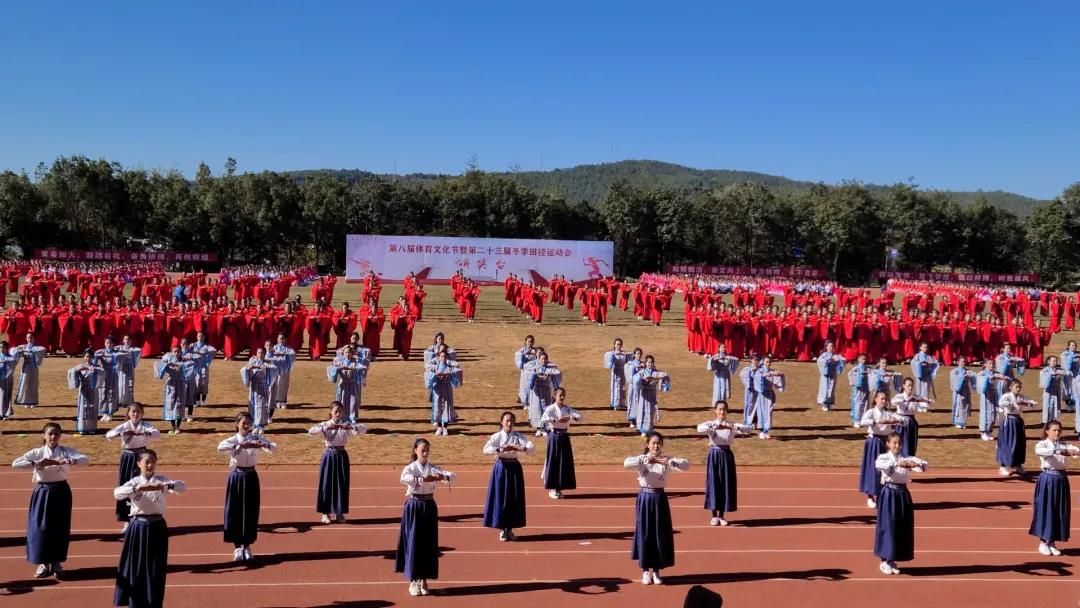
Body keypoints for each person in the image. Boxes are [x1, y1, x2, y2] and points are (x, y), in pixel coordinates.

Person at [11, 422, 89, 578]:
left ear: (60, 436)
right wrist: (37, 464)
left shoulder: (66, 452)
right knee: (40, 528)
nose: (53, 437)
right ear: (44, 435)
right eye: (50, 433)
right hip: (43, 492)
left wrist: (69, 461)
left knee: (59, 528)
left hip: (61, 491)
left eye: (56, 434)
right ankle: (42, 563)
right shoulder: (38, 452)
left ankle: (57, 563)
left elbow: (84, 459)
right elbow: (15, 463)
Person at [113, 449, 186, 608]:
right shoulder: (134, 482)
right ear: (139, 464)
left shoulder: (161, 480)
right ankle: (135, 603)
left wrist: (167, 485)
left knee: (156, 568)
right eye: (147, 461)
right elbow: (117, 493)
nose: (150, 464)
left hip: (158, 526)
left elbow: (182, 487)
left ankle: (154, 602)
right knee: (136, 567)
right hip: (138, 527)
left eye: (153, 461)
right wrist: (137, 489)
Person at [624, 431, 690, 585]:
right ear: (648, 445)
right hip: (645, 498)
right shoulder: (643, 460)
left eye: (659, 443)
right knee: (645, 533)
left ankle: (657, 571)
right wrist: (646, 459)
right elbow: (626, 463)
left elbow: (686, 465)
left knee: (659, 534)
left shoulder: (666, 460)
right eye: (653, 443)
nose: (656, 445)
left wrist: (669, 463)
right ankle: (645, 570)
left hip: (659, 498)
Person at [396, 438, 455, 597]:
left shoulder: (433, 467)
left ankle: (424, 578)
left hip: (429, 506)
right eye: (422, 449)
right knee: (414, 542)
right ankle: (413, 579)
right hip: (414, 506)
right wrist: (422, 479)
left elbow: (452, 475)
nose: (425, 452)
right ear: (415, 451)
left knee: (428, 543)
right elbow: (403, 478)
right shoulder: (411, 467)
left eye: (427, 449)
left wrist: (441, 477)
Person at [217, 411, 277, 561]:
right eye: (243, 423)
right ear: (237, 425)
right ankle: (237, 547)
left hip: (251, 477)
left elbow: (274, 449)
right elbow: (220, 448)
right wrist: (240, 445)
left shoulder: (256, 438)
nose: (246, 426)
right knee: (235, 511)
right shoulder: (232, 439)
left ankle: (247, 545)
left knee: (250, 512)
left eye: (249, 423)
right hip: (236, 477)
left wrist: (262, 444)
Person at [873, 432, 928, 575]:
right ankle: (884, 560)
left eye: (899, 443)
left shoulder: (906, 457)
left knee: (900, 527)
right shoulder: (884, 457)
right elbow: (878, 464)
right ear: (888, 444)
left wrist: (916, 464)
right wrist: (898, 463)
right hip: (889, 494)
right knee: (888, 526)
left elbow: (925, 466)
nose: (897, 446)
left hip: (903, 494)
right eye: (894, 443)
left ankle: (893, 559)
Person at [308, 401, 367, 524]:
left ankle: (339, 513)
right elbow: (311, 432)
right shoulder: (325, 424)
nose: (339, 414)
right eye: (336, 411)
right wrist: (325, 428)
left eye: (340, 411)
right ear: (331, 413)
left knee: (341, 485)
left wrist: (351, 427)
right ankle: (325, 513)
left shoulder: (346, 425)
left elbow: (364, 429)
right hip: (329, 456)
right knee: (326, 484)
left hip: (342, 456)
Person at [105, 403, 160, 530]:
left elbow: (157, 434)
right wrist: (122, 433)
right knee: (127, 486)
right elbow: (109, 435)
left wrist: (145, 432)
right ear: (128, 413)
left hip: (142, 457)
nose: (135, 414)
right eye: (133, 412)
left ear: (142, 414)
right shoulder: (124, 426)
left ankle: (141, 513)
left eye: (138, 412)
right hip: (128, 457)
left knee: (141, 486)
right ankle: (127, 519)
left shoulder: (145, 425)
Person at [482, 411, 534, 541]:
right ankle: (502, 529)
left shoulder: (518, 436)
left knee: (513, 499)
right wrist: (499, 449)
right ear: (502, 422)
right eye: (507, 421)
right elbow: (486, 449)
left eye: (512, 421)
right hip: (501, 469)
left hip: (515, 468)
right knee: (501, 499)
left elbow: (531, 447)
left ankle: (510, 529)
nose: (510, 423)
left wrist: (522, 448)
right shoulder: (497, 436)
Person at [697, 400, 750, 526]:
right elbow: (699, 428)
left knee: (725, 484)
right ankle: (714, 515)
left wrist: (734, 427)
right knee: (714, 484)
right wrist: (712, 427)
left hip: (726, 455)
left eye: (724, 409)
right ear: (715, 411)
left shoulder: (730, 424)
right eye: (720, 409)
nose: (722, 411)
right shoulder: (711, 423)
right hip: (714, 455)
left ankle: (722, 515)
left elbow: (748, 429)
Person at [1030, 420, 1078, 556]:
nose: (1057, 433)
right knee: (1047, 509)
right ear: (1047, 431)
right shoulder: (1042, 444)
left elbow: (1073, 449)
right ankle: (1043, 542)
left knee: (1059, 510)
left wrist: (1074, 451)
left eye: (1059, 430)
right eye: (1054, 430)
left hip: (1062, 479)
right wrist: (1062, 450)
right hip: (1048, 479)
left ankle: (1052, 541)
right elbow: (1041, 451)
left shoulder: (1063, 444)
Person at [859, 392, 902, 508]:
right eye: (881, 399)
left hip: (885, 443)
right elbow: (862, 421)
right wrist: (875, 422)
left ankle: (881, 496)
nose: (884, 401)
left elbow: (901, 420)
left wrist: (897, 421)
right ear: (876, 399)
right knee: (873, 469)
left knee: (885, 469)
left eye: (885, 399)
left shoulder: (888, 413)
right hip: (874, 442)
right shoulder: (871, 412)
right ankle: (870, 496)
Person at [540, 387, 582, 499]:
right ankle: (552, 488)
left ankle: (559, 487)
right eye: (560, 395)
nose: (562, 397)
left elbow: (579, 416)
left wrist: (572, 417)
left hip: (564, 436)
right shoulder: (551, 408)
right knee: (554, 461)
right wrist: (554, 420)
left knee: (563, 463)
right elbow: (543, 419)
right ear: (555, 396)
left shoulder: (567, 408)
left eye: (564, 395)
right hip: (554, 436)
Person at [996, 380, 1036, 476]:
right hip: (1008, 421)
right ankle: (1003, 466)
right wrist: (1015, 402)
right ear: (1010, 387)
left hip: (1018, 421)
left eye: (1019, 387)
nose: (1018, 389)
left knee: (1019, 443)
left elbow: (1032, 405)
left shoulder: (1022, 396)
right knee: (1007, 443)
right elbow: (1002, 403)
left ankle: (1017, 464)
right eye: (1016, 387)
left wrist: (1027, 403)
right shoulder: (1006, 396)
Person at [154, 346, 194, 434]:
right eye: (175, 351)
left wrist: (179, 365)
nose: (176, 353)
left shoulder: (183, 361)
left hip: (180, 385)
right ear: (171, 352)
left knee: (179, 404)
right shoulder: (168, 361)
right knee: (170, 404)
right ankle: (173, 426)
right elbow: (157, 365)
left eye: (178, 352)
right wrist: (167, 364)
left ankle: (178, 427)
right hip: (170, 385)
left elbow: (191, 366)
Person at [891, 378, 932, 457]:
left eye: (911, 386)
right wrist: (906, 400)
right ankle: (897, 459)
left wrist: (926, 401)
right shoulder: (899, 396)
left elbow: (926, 405)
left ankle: (910, 459)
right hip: (901, 422)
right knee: (899, 442)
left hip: (911, 421)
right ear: (903, 386)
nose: (910, 387)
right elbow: (893, 401)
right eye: (908, 385)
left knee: (911, 442)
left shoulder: (916, 397)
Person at [425, 348, 462, 436]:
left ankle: (445, 427)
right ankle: (438, 427)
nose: (443, 358)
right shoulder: (435, 366)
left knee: (446, 406)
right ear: (439, 357)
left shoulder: (449, 367)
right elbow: (427, 370)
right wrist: (435, 374)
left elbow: (458, 370)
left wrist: (449, 374)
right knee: (437, 406)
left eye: (445, 356)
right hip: (437, 388)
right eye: (441, 356)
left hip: (446, 388)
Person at [632, 355, 670, 437]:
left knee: (651, 412)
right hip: (644, 395)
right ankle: (643, 429)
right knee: (643, 411)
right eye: (648, 362)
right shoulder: (642, 372)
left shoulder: (655, 372)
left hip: (652, 394)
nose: (650, 364)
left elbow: (664, 375)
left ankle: (649, 429)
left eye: (651, 362)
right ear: (646, 363)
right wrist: (642, 379)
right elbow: (636, 378)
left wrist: (661, 378)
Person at [525, 351, 561, 436]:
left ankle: (545, 428)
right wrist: (535, 375)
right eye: (542, 359)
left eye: (545, 359)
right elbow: (528, 372)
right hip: (536, 391)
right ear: (539, 359)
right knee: (537, 409)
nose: (543, 360)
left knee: (545, 408)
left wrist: (549, 374)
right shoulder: (534, 367)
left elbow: (557, 373)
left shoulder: (550, 368)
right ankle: (538, 428)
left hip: (546, 390)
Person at [68, 350, 104, 435]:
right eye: (86, 356)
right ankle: (82, 427)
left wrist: (94, 370)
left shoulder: (96, 367)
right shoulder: (80, 366)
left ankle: (92, 427)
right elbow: (71, 371)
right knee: (83, 408)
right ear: (84, 357)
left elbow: (102, 372)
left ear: (92, 358)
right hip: (83, 390)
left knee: (92, 408)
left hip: (93, 390)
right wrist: (76, 371)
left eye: (90, 357)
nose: (88, 358)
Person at [328, 345, 367, 424]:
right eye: (346, 352)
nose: (348, 354)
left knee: (352, 402)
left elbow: (363, 368)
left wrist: (354, 369)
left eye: (349, 352)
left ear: (352, 353)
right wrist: (338, 368)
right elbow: (332, 369)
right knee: (342, 401)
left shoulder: (355, 362)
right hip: (343, 385)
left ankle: (352, 418)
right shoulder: (340, 362)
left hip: (352, 385)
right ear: (343, 353)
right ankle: (342, 417)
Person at [241, 348, 277, 432]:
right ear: (256, 353)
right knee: (253, 406)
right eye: (259, 353)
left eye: (262, 353)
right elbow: (243, 369)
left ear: (265, 354)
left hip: (262, 387)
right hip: (253, 388)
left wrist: (265, 369)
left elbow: (274, 370)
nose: (260, 354)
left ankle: (261, 425)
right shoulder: (252, 362)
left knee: (261, 406)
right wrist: (247, 370)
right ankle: (254, 425)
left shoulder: (267, 363)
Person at [752, 356, 785, 440]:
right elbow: (757, 378)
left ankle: (766, 430)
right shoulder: (760, 371)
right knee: (762, 412)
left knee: (769, 412)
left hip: (770, 394)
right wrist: (765, 375)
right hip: (762, 394)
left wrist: (780, 375)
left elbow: (778, 381)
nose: (768, 363)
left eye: (769, 362)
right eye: (766, 362)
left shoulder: (772, 371)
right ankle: (762, 430)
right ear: (763, 362)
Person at [186, 331, 218, 412]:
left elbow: (214, 351)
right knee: (196, 383)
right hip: (195, 366)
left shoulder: (207, 346)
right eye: (198, 336)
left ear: (204, 337)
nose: (199, 337)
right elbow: (185, 350)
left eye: (201, 336)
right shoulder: (193, 345)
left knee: (204, 383)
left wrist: (205, 352)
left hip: (204, 366)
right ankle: (196, 401)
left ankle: (203, 401)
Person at [975, 358, 1005, 441]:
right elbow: (980, 384)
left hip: (994, 395)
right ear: (985, 365)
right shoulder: (982, 374)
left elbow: (1005, 379)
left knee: (993, 413)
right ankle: (983, 431)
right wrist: (988, 379)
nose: (991, 365)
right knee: (986, 413)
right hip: (986, 396)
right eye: (989, 363)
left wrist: (1003, 378)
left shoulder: (997, 373)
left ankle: (989, 431)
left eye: (992, 363)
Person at [14, 333, 46, 408]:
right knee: (25, 383)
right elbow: (13, 350)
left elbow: (43, 349)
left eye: (31, 337)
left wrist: (32, 350)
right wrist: (20, 351)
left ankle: (33, 402)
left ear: (34, 338)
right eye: (28, 337)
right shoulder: (23, 346)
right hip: (26, 366)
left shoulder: (36, 347)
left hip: (34, 367)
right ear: (26, 338)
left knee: (33, 383)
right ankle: (25, 401)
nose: (29, 339)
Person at [1039, 357, 1073, 424]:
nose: (1055, 362)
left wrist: (1068, 372)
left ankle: (1054, 420)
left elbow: (1066, 372)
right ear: (1049, 362)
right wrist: (1051, 374)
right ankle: (1045, 421)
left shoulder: (1059, 370)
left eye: (1056, 361)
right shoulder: (1045, 370)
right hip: (1048, 391)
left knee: (1057, 405)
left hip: (1057, 390)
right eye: (1053, 361)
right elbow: (1043, 377)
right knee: (1048, 406)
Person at [269, 334, 297, 410]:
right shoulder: (274, 347)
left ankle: (283, 401)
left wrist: (284, 355)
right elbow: (269, 355)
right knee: (276, 384)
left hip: (285, 370)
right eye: (280, 339)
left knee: (284, 385)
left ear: (285, 340)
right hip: (276, 370)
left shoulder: (288, 348)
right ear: (277, 339)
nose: (281, 340)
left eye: (283, 339)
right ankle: (275, 400)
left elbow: (293, 355)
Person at [604, 338, 632, 410]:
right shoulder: (612, 353)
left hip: (623, 371)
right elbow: (608, 356)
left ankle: (622, 403)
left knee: (623, 388)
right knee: (616, 387)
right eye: (617, 344)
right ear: (614, 345)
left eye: (620, 344)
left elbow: (630, 358)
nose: (618, 346)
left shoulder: (624, 354)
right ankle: (615, 404)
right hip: (616, 372)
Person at [114, 335, 142, 410]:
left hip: (129, 367)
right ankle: (119, 400)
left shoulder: (133, 349)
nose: (127, 341)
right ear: (123, 340)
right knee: (120, 384)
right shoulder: (119, 347)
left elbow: (138, 350)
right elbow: (112, 350)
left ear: (131, 341)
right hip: (121, 368)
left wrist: (127, 351)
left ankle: (128, 402)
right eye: (125, 339)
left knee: (129, 384)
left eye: (129, 339)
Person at [816, 342, 845, 412]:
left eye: (832, 346)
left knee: (832, 389)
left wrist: (839, 361)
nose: (831, 348)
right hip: (826, 375)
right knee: (825, 388)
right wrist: (827, 361)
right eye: (830, 346)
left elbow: (843, 360)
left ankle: (830, 403)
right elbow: (819, 361)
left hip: (833, 374)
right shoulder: (824, 355)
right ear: (826, 347)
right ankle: (824, 403)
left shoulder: (836, 355)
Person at [949, 356, 975, 429]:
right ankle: (957, 421)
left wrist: (970, 376)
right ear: (958, 362)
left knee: (965, 405)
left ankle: (963, 422)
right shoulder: (954, 371)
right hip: (959, 392)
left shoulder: (967, 370)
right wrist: (962, 377)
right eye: (961, 362)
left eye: (964, 362)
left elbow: (974, 376)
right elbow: (954, 381)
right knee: (959, 405)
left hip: (966, 390)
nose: (963, 363)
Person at [847, 353, 871, 428]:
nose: (864, 361)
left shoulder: (868, 369)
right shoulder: (855, 369)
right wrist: (853, 381)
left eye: (865, 359)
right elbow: (850, 375)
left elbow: (872, 375)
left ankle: (863, 419)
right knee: (857, 404)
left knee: (865, 404)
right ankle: (856, 420)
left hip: (865, 388)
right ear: (858, 359)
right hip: (857, 389)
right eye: (862, 359)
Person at [514, 335, 538, 405]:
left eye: (531, 341)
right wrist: (524, 354)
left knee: (532, 385)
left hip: (533, 371)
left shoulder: (535, 350)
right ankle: (522, 399)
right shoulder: (522, 350)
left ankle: (531, 399)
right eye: (529, 341)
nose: (530, 343)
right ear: (526, 342)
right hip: (525, 371)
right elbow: (518, 358)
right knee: (523, 385)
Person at [624, 348, 645, 428]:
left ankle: (639, 420)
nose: (639, 355)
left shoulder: (644, 364)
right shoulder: (630, 363)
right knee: (632, 402)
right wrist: (638, 366)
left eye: (640, 354)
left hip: (640, 387)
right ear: (634, 355)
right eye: (637, 354)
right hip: (632, 387)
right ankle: (632, 420)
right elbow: (628, 372)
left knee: (640, 402)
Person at [739, 355, 761, 428]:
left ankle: (755, 421)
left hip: (758, 391)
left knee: (757, 406)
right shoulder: (747, 369)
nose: (756, 362)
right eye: (755, 360)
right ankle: (747, 422)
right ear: (751, 360)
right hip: (750, 391)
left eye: (757, 360)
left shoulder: (760, 369)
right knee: (749, 405)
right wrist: (751, 371)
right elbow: (742, 375)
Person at [0, 340, 16, 420]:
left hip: (6, 380)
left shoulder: (10, 357)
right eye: (0, 347)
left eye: (3, 347)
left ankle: (5, 413)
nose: (1, 349)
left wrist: (5, 360)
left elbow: (13, 361)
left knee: (5, 396)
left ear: (7, 348)